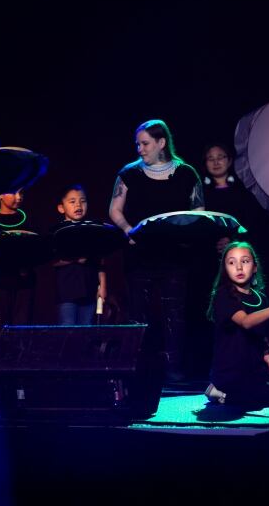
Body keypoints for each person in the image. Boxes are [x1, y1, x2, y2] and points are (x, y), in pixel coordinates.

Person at [109, 119, 204, 382]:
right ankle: (135, 366)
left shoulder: (186, 173)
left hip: (174, 256)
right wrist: (128, 229)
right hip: (140, 256)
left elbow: (198, 210)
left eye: (145, 143)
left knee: (175, 314)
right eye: (137, 144)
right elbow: (114, 209)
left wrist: (186, 231)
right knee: (138, 313)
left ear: (161, 143)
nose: (140, 149)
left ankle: (173, 368)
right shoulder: (129, 173)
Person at [204, 241, 269, 407]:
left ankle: (243, 393)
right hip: (230, 371)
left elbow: (262, 340)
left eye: (245, 261)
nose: (239, 268)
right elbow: (246, 322)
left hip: (254, 370)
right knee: (258, 396)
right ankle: (218, 393)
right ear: (225, 269)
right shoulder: (224, 296)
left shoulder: (260, 298)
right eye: (232, 262)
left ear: (255, 267)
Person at [51, 184, 107, 325]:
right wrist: (75, 259)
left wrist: (103, 286)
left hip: (89, 289)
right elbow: (52, 261)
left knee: (86, 331)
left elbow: (100, 261)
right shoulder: (57, 232)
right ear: (61, 207)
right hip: (66, 292)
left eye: (83, 201)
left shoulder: (92, 229)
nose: (78, 205)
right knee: (67, 330)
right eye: (72, 201)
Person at [0, 189, 37, 325]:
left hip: (24, 283)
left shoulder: (28, 220)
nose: (19, 197)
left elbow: (35, 249)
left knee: (22, 326)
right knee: (1, 327)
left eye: (22, 193)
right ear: (0, 195)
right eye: (13, 192)